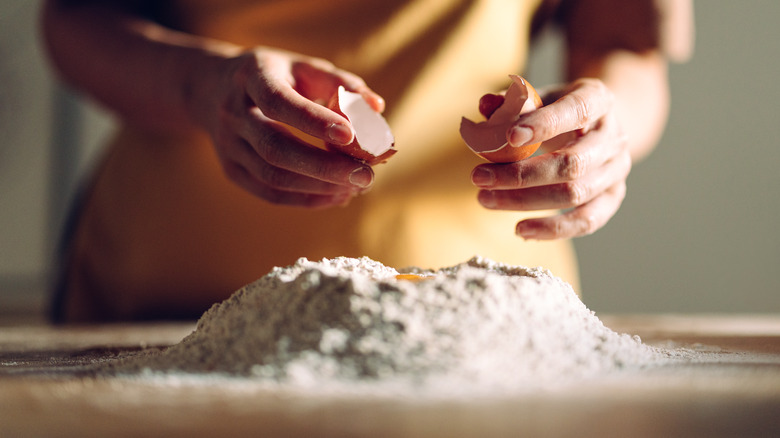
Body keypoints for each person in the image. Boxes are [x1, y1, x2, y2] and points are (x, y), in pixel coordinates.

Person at [41, 0, 693, 322]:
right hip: (166, 305)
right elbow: (73, 18)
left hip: (479, 324)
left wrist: (610, 129)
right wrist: (202, 87)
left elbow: (626, 45)